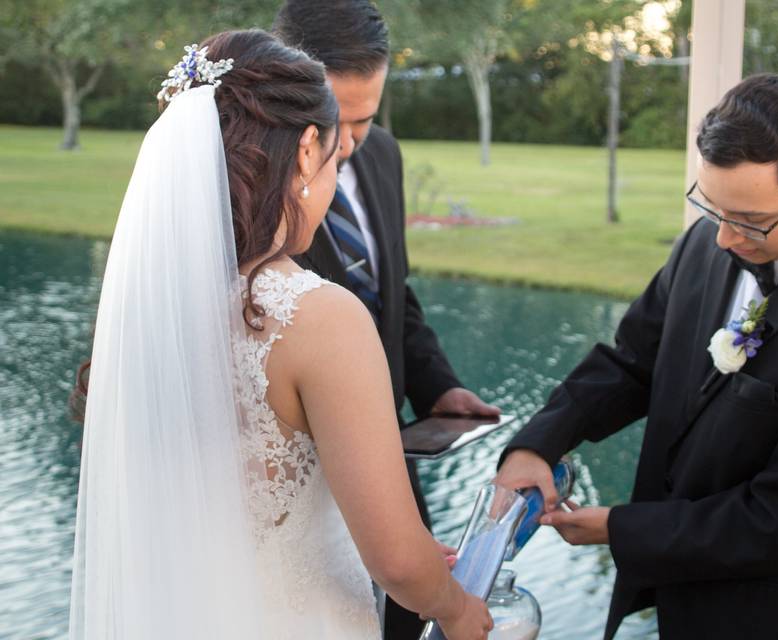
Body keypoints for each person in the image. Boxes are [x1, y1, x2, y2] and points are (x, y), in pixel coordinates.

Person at [69, 29, 492, 640]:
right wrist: (456, 608)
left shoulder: (149, 308)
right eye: (333, 161)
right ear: (304, 151)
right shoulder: (319, 317)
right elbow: (397, 560)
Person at [494, 74, 778, 640]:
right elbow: (631, 363)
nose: (722, 237)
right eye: (709, 204)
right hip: (678, 595)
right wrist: (538, 441)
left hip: (768, 615)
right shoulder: (704, 243)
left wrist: (621, 529)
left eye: (748, 219)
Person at [273, 3, 499, 636]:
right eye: (330, 122)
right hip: (286, 495)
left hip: (390, 465)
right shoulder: (241, 193)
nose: (344, 145)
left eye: (363, 120)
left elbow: (391, 292)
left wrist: (438, 388)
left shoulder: (383, 158)